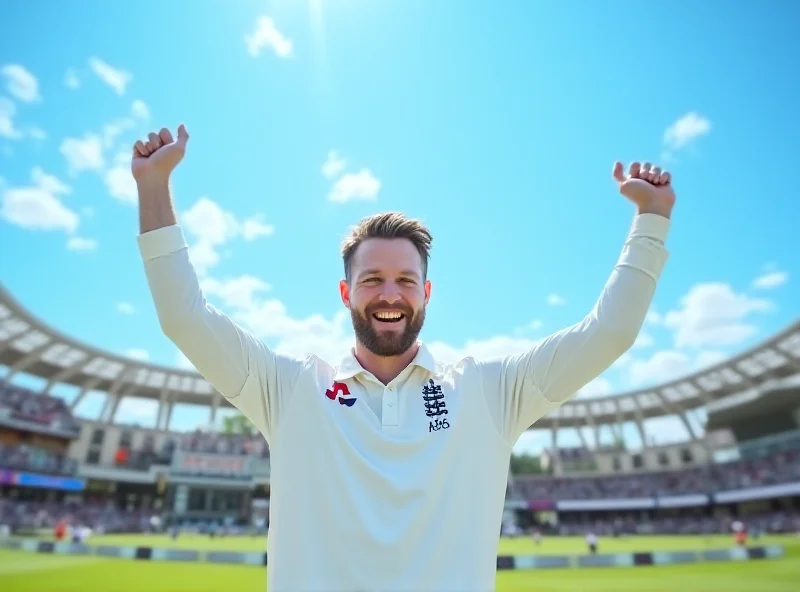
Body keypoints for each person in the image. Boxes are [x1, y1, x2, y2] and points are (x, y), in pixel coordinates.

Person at [132, 125, 675, 592]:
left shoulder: (490, 392)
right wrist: (153, 186)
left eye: (404, 281)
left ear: (426, 292)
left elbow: (609, 333)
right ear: (346, 293)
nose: (389, 294)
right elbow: (186, 318)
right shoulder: (290, 388)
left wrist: (650, 219)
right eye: (371, 279)